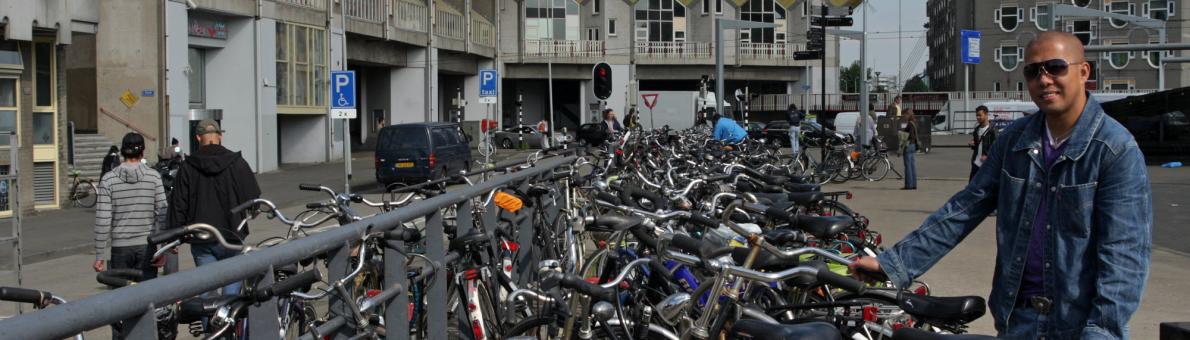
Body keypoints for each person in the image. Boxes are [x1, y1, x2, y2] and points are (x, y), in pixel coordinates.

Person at [850, 32, 1152, 339]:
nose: (1044, 79)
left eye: (1055, 67)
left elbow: (1124, 257)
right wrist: (894, 263)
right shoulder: (1014, 141)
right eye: (1033, 71)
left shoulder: (1114, 149)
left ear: (1083, 71)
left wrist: (1102, 330)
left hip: (1079, 324)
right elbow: (964, 209)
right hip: (1019, 319)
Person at [168, 119, 261, 298]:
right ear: (220, 135)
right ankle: (229, 323)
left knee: (207, 292)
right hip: (232, 234)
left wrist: (174, 236)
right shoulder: (237, 163)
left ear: (197, 137)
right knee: (232, 294)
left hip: (201, 237)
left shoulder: (187, 166)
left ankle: (209, 326)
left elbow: (178, 203)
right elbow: (253, 199)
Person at [93, 133, 168, 339]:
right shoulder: (153, 177)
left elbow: (102, 219)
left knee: (119, 305)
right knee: (147, 302)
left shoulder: (108, 179)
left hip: (120, 250)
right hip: (147, 248)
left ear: (122, 152)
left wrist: (99, 254)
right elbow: (162, 213)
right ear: (143, 152)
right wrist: (163, 248)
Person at [969, 105, 997, 181]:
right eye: (977, 115)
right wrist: (972, 144)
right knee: (972, 185)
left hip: (987, 164)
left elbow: (996, 147)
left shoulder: (993, 130)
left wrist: (987, 155)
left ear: (986, 115)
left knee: (985, 186)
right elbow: (976, 146)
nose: (978, 117)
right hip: (976, 162)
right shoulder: (976, 130)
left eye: (980, 115)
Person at [900, 109, 919, 190]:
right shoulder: (914, 122)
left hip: (908, 146)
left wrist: (902, 136)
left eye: (904, 115)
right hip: (913, 145)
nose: (903, 116)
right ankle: (914, 184)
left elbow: (910, 136)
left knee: (908, 166)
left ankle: (909, 185)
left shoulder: (909, 124)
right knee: (912, 166)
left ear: (908, 114)